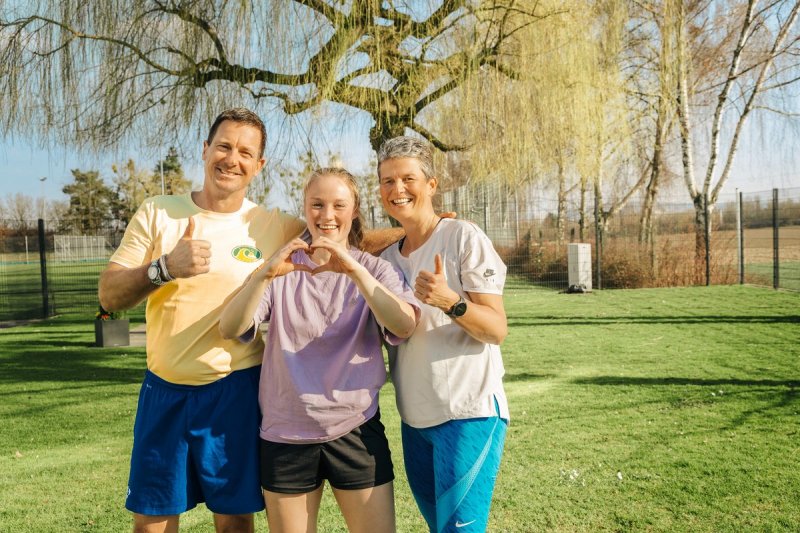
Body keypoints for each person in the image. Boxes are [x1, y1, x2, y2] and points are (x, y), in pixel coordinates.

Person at [98, 108, 309, 533]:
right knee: (152, 522)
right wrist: (164, 268)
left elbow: (341, 237)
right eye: (224, 146)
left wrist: (419, 228)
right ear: (205, 149)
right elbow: (109, 294)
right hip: (165, 389)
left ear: (259, 165)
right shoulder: (159, 212)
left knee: (234, 521)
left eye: (245, 152)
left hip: (235, 390)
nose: (232, 159)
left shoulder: (274, 225)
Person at [219, 167, 419, 533]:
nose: (327, 215)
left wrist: (355, 272)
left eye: (338, 205)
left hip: (356, 429)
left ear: (354, 210)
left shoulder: (375, 270)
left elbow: (404, 324)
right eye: (317, 204)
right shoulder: (281, 270)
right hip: (285, 434)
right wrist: (263, 274)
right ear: (305, 207)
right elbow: (230, 328)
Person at [377, 136, 510, 533]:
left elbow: (497, 329)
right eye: (387, 181)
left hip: (468, 414)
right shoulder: (385, 260)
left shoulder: (462, 237)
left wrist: (451, 301)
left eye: (408, 179)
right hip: (414, 420)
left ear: (431, 184)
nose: (397, 189)